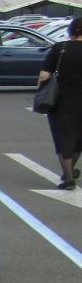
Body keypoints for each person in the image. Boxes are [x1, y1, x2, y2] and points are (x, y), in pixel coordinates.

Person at [37, 15, 82, 190]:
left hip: (62, 101)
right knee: (78, 139)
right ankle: (68, 172)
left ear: (71, 30)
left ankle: (68, 178)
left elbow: (44, 75)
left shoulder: (60, 48)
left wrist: (41, 89)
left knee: (64, 137)